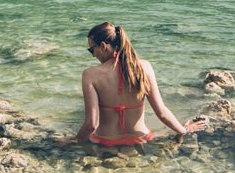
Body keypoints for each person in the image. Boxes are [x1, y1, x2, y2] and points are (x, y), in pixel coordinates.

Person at [60, 21, 205, 147]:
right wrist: (184, 130)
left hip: (105, 142)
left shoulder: (90, 74)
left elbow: (91, 124)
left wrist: (74, 140)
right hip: (141, 139)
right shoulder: (144, 67)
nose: (92, 55)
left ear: (103, 46)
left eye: (92, 49)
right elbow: (161, 112)